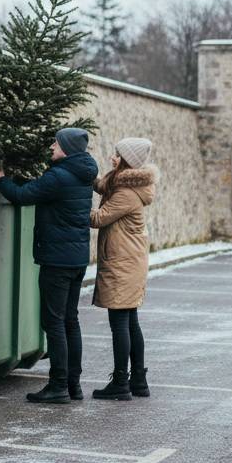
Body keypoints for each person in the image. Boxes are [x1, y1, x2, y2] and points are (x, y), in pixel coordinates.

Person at [0, 127, 98, 404]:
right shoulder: (82, 174)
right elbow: (40, 189)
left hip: (57, 260)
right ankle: (73, 384)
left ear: (67, 148)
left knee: (54, 322)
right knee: (70, 320)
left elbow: (24, 195)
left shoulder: (59, 176)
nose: (51, 146)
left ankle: (58, 385)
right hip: (76, 259)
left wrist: (0, 180)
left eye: (56, 143)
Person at [89, 137, 157, 400]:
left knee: (120, 322)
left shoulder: (127, 193)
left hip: (122, 264)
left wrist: (73, 202)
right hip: (129, 262)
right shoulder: (125, 184)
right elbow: (103, 184)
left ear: (127, 160)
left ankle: (120, 382)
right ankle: (138, 380)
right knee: (130, 321)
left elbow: (97, 218)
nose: (112, 158)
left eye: (117, 155)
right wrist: (85, 177)